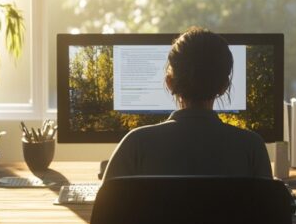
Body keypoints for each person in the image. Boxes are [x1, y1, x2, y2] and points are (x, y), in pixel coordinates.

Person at [102, 27, 272, 180]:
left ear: (169, 82)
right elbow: (268, 213)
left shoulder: (135, 144)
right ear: (224, 86)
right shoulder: (252, 147)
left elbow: (104, 214)